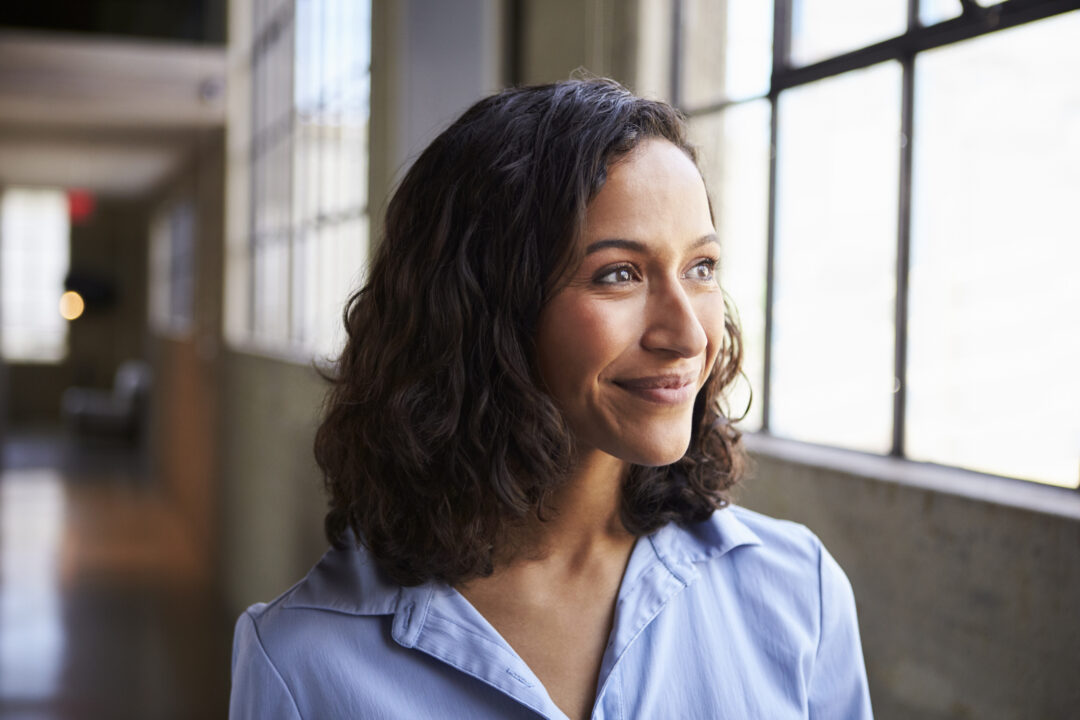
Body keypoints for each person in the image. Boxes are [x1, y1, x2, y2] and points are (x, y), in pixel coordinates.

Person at [229, 78, 873, 719]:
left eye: (700, 268)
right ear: (485, 306)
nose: (687, 335)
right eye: (619, 274)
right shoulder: (301, 662)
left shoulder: (798, 595)